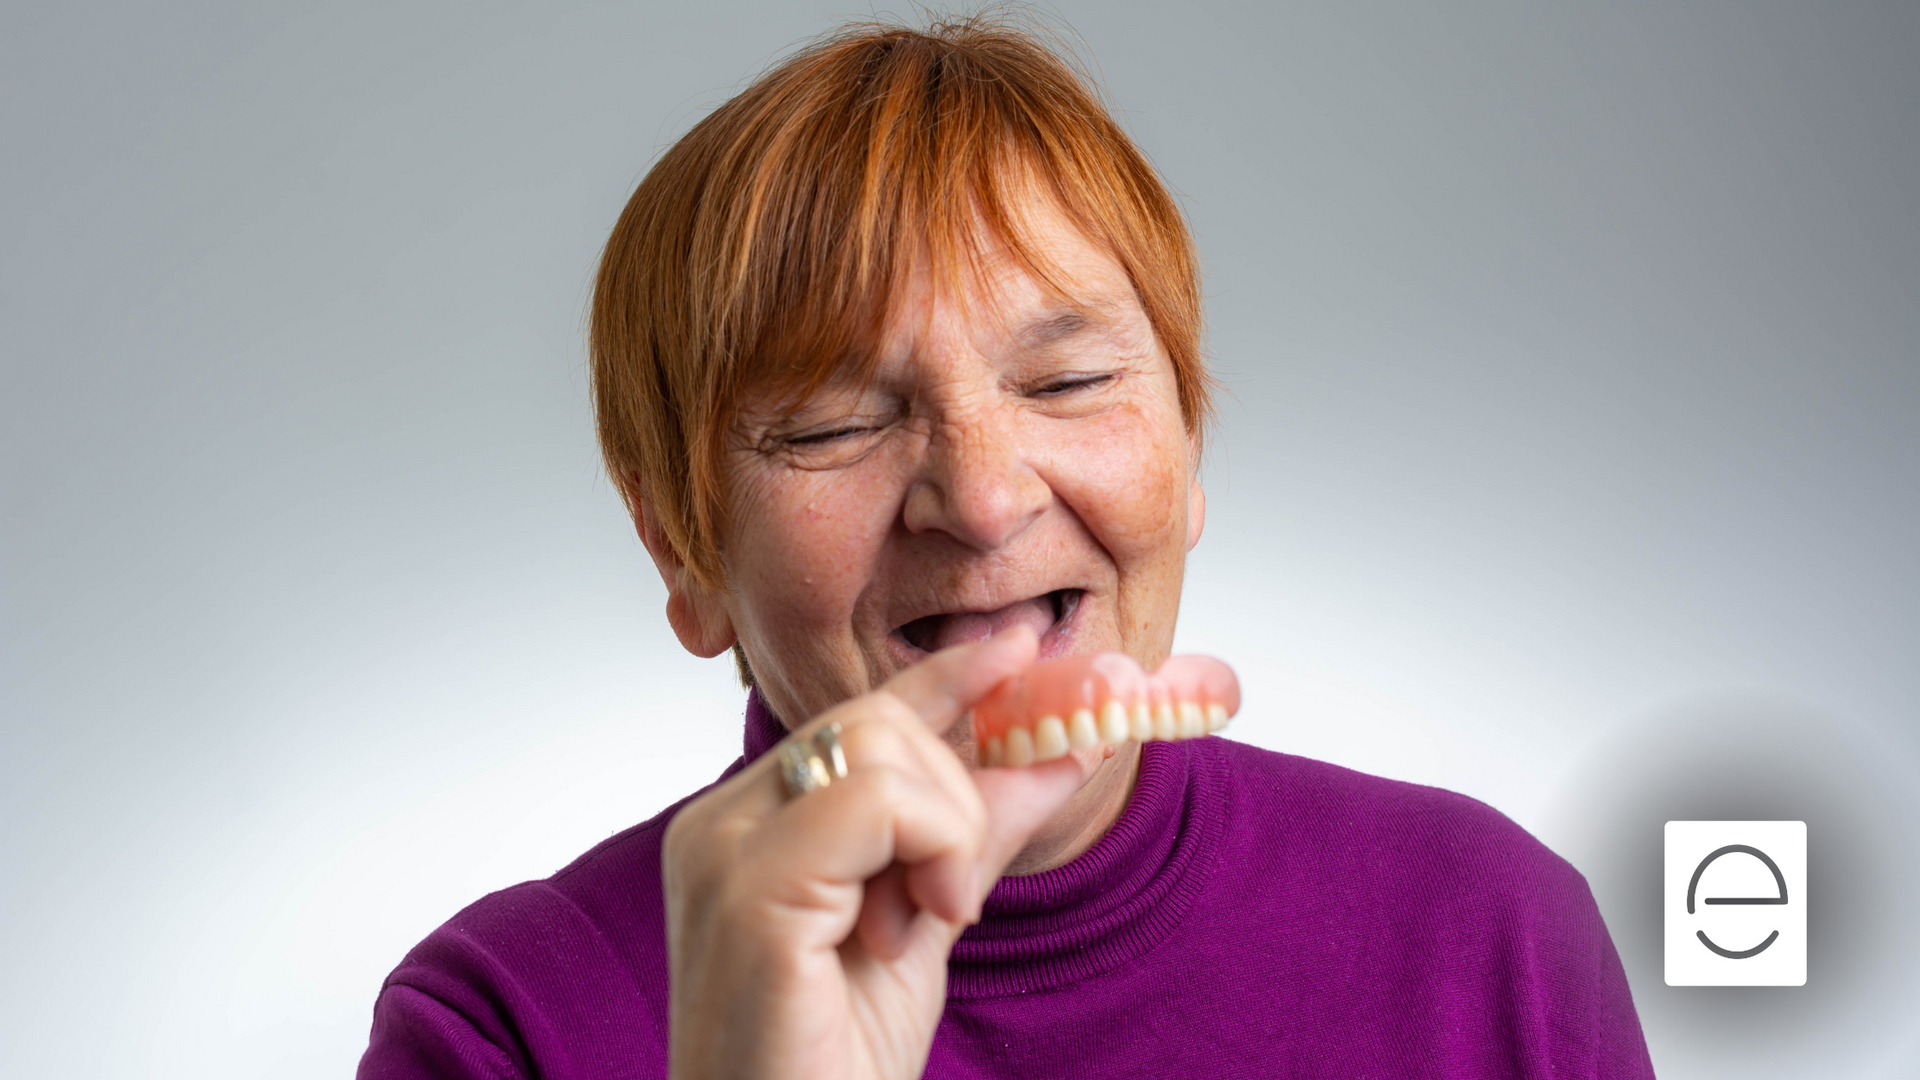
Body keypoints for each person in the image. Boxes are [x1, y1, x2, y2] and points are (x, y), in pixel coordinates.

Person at [359, 17, 1654, 1080]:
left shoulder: (1491, 930)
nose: (981, 502)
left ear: (1187, 459)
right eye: (833, 424)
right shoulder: (501, 1028)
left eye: (1070, 381)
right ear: (683, 557)